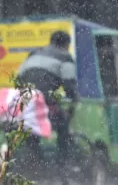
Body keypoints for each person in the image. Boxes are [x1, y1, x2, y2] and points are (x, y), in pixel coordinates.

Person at [17, 30, 79, 169]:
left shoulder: (34, 54)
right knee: (62, 125)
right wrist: (74, 99)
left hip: (26, 97)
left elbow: (20, 77)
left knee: (31, 124)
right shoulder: (65, 57)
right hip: (44, 96)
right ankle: (63, 161)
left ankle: (35, 158)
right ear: (66, 44)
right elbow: (69, 84)